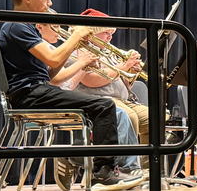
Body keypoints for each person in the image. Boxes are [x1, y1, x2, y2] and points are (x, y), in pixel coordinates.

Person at [0, 0, 144, 191]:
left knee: (105, 107)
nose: (50, 4)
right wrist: (76, 36)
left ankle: (100, 168)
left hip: (38, 89)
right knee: (105, 106)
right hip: (29, 94)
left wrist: (74, 44)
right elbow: (53, 60)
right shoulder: (17, 26)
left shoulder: (25, 26)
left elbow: (52, 71)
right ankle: (103, 174)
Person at [37, 23, 144, 175]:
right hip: (53, 97)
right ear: (39, 26)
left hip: (65, 95)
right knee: (117, 112)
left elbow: (67, 85)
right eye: (55, 26)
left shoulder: (56, 49)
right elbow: (58, 83)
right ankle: (119, 169)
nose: (59, 30)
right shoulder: (50, 50)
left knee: (150, 116)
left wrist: (128, 72)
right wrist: (82, 63)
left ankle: (138, 168)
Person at [71, 9, 149, 144]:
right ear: (92, 33)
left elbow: (122, 84)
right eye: (106, 32)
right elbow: (91, 80)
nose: (110, 37)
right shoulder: (78, 51)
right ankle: (124, 164)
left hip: (121, 100)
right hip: (98, 100)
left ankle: (148, 164)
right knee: (130, 117)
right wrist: (123, 66)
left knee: (154, 118)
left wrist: (131, 72)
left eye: (112, 33)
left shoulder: (108, 52)